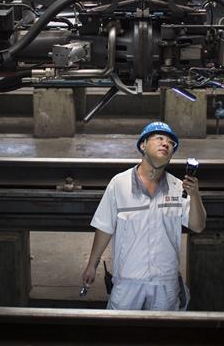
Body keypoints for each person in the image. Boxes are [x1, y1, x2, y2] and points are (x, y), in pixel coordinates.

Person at [80, 121, 206, 310]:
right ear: (142, 145)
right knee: (121, 328)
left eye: (171, 143)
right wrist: (92, 264)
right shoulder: (119, 184)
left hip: (165, 283)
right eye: (159, 138)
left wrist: (195, 194)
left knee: (164, 329)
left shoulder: (178, 187)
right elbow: (105, 227)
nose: (166, 143)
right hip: (128, 280)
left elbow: (198, 225)